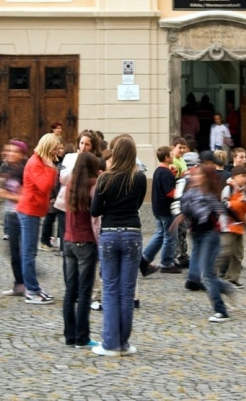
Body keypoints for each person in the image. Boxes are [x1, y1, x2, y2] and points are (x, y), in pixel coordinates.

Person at [90, 137, 147, 356]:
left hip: (110, 234)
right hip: (132, 232)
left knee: (111, 289)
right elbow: (138, 204)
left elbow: (95, 210)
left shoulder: (105, 179)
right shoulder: (139, 179)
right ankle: (123, 342)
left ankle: (110, 343)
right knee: (127, 290)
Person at [176, 164, 234, 321]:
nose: (194, 177)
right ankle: (225, 287)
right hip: (196, 235)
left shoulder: (209, 196)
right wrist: (180, 218)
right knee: (204, 275)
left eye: (198, 175)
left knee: (207, 275)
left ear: (205, 178)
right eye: (194, 175)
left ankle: (221, 311)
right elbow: (186, 210)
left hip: (210, 235)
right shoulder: (190, 194)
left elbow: (225, 210)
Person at [17, 133, 64, 305]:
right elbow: (45, 187)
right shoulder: (36, 162)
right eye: (55, 148)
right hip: (29, 211)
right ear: (49, 148)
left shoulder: (40, 161)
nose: (57, 152)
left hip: (33, 211)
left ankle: (34, 288)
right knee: (29, 253)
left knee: (30, 252)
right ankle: (32, 291)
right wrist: (52, 167)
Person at [62, 152, 101, 349]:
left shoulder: (70, 185)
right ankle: (82, 337)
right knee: (85, 292)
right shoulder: (93, 186)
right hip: (85, 242)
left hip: (68, 240)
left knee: (70, 290)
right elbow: (96, 220)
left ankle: (69, 335)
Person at [141, 146, 181, 274]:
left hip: (158, 208)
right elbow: (170, 192)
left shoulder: (159, 171)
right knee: (170, 236)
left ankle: (145, 258)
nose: (173, 156)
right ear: (166, 158)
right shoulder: (166, 173)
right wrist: (182, 192)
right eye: (171, 154)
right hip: (167, 209)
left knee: (159, 235)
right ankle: (167, 263)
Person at [0, 139, 28, 297]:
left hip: (20, 215)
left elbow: (25, 197)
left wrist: (7, 195)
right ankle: (19, 284)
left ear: (22, 155)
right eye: (8, 151)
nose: (10, 154)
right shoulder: (9, 169)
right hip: (10, 214)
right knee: (13, 252)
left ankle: (26, 283)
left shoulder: (23, 172)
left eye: (14, 151)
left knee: (20, 252)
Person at [217, 165, 246, 288]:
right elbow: (224, 204)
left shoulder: (244, 190)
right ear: (234, 177)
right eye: (242, 176)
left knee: (238, 254)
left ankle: (232, 278)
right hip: (227, 226)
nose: (245, 179)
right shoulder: (228, 189)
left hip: (239, 226)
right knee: (225, 251)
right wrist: (239, 203)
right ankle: (211, 276)